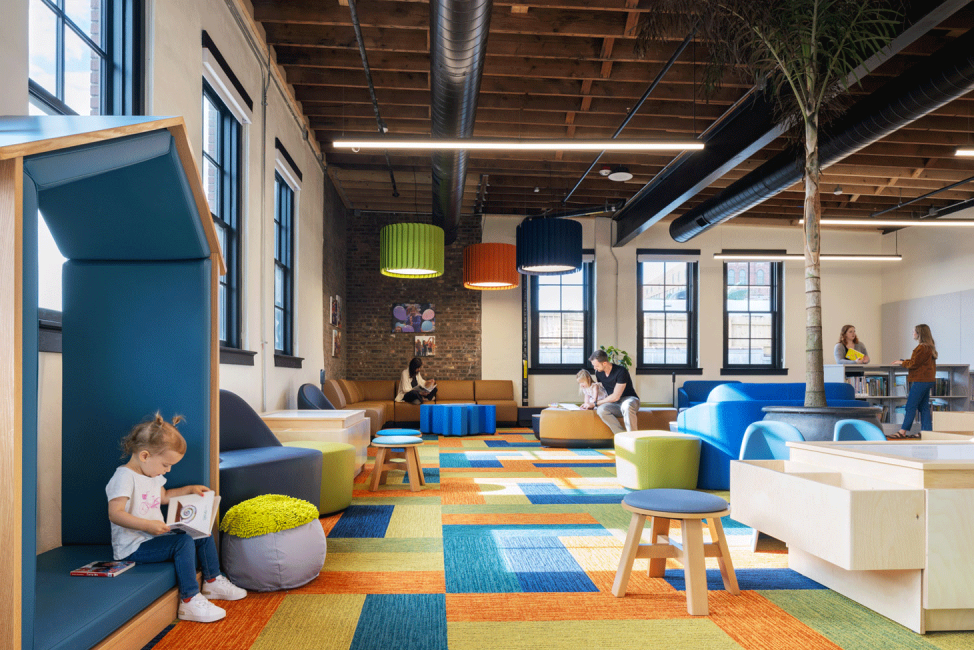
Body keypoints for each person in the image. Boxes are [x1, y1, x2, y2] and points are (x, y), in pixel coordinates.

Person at [106, 413, 247, 623]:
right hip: (134, 547)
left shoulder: (151, 474)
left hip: (154, 535)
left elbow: (163, 497)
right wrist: (147, 525)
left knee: (200, 532)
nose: (168, 470)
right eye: (165, 465)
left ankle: (212, 580)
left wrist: (189, 489)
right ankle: (189, 600)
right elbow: (115, 513)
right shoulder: (124, 477)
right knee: (182, 542)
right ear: (145, 456)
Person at [889, 324, 938, 439]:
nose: (912, 333)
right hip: (927, 380)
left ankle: (902, 431)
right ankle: (927, 432)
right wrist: (904, 361)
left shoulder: (922, 347)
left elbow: (914, 364)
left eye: (914, 332)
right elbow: (917, 361)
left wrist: (902, 363)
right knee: (923, 407)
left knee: (910, 405)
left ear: (919, 334)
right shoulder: (929, 347)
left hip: (920, 380)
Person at [584, 349, 640, 433]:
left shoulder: (621, 371)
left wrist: (595, 403)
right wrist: (589, 403)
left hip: (629, 399)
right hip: (614, 404)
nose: (594, 368)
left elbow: (615, 396)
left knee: (626, 406)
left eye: (596, 365)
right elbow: (601, 391)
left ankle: (632, 437)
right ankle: (621, 435)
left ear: (605, 363)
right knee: (601, 410)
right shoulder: (599, 373)